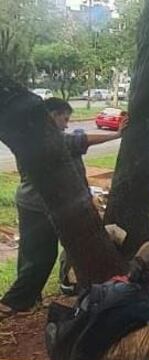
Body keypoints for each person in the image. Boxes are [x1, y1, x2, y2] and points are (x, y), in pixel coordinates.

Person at [0, 98, 127, 317]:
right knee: (43, 255)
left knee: (30, 253)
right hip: (39, 204)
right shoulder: (46, 139)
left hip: (31, 202)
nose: (66, 124)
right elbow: (77, 141)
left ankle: (29, 299)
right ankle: (11, 303)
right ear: (51, 115)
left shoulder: (34, 136)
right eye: (64, 119)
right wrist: (116, 135)